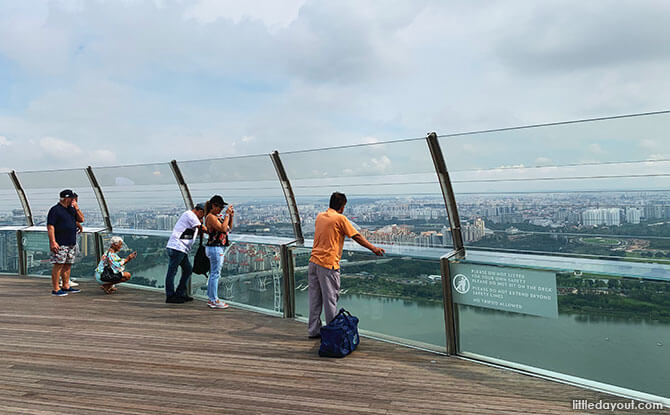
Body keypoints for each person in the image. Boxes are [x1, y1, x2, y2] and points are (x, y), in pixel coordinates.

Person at [307, 192, 385, 338]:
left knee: (314, 300)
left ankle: (313, 331)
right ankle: (332, 335)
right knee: (330, 301)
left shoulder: (319, 216)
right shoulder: (340, 218)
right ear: (342, 207)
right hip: (328, 264)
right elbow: (356, 236)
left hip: (313, 262)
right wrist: (374, 248)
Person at [164, 203, 207, 303]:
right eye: (203, 214)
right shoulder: (190, 215)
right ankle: (170, 296)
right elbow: (202, 228)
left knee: (187, 269)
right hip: (177, 248)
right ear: (200, 211)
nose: (203, 217)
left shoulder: (190, 216)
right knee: (172, 272)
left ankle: (180, 293)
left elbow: (196, 232)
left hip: (180, 248)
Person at [47, 189, 85, 296]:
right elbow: (50, 226)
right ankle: (56, 289)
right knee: (58, 265)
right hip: (60, 242)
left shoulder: (71, 210)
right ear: (67, 198)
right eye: (72, 198)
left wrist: (76, 209)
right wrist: (53, 242)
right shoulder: (55, 210)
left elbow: (81, 219)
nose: (74, 200)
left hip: (71, 242)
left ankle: (66, 285)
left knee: (68, 264)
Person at [204, 195, 234, 309]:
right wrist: (226, 215)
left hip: (218, 248)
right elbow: (222, 228)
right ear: (213, 205)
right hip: (215, 248)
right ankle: (214, 300)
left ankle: (212, 299)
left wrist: (230, 216)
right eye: (220, 207)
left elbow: (228, 229)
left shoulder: (217, 217)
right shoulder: (210, 217)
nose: (221, 209)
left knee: (214, 274)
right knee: (215, 275)